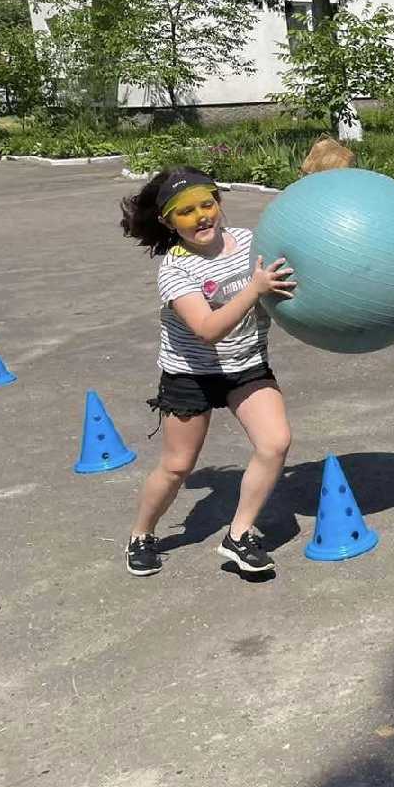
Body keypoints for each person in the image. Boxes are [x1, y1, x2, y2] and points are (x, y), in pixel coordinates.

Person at [119, 167, 298, 577]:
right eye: (186, 212)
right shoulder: (175, 269)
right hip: (190, 374)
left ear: (219, 203)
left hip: (246, 365)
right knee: (177, 467)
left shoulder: (251, 243)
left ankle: (239, 535)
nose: (201, 217)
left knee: (275, 443)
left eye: (207, 204)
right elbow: (207, 330)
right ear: (167, 222)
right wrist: (255, 289)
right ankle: (141, 534)